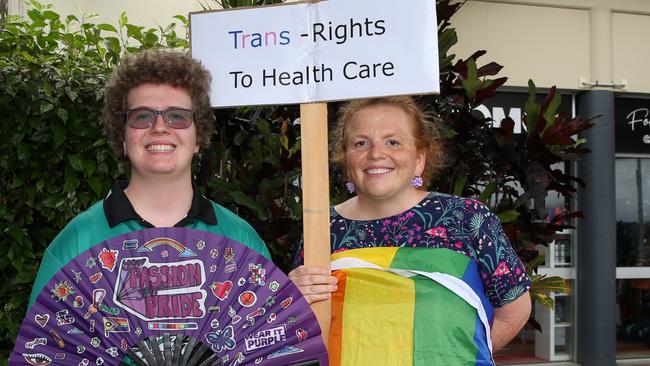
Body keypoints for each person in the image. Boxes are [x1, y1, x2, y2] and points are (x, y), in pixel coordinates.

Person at [289, 96, 531, 360]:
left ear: (419, 159)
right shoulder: (323, 231)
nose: (376, 154)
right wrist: (291, 301)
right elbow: (302, 334)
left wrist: (464, 356)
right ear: (346, 159)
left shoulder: (466, 219)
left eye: (393, 142)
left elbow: (514, 310)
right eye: (361, 143)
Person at [28, 50, 270, 307]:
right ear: (122, 137)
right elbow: (44, 343)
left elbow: (270, 337)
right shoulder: (78, 241)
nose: (159, 128)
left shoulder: (240, 240)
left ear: (198, 137)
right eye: (142, 116)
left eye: (177, 116)